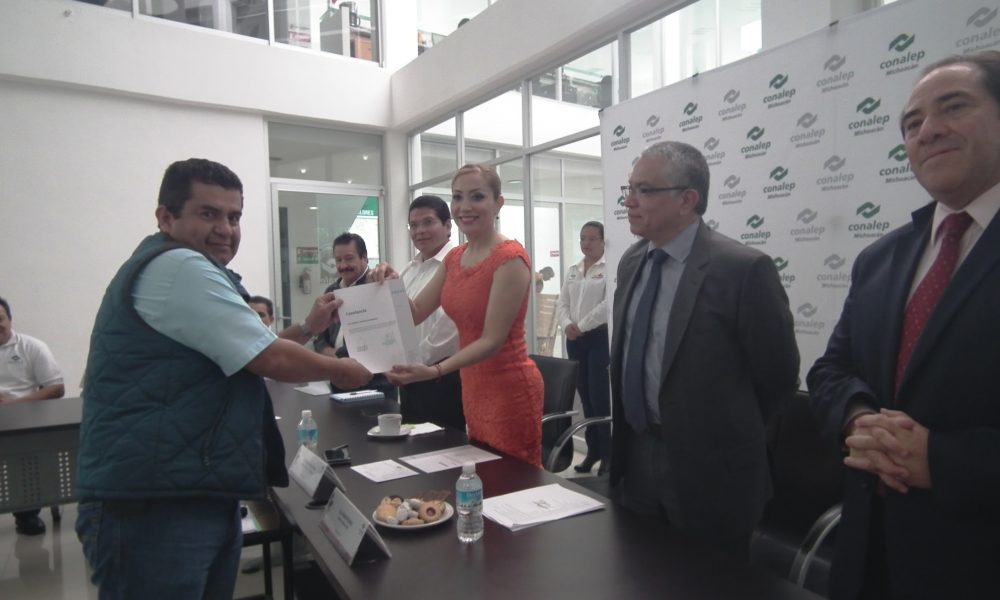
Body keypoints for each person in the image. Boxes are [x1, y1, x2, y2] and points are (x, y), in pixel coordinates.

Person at [75, 158, 371, 599]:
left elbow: (247, 347)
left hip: (186, 489)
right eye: (208, 214)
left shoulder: (182, 266)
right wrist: (343, 368)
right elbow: (268, 357)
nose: (225, 229)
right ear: (166, 217)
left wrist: (308, 328)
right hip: (156, 504)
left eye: (234, 217)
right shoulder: (179, 267)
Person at [807, 50, 1000, 600]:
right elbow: (830, 370)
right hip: (869, 556)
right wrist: (859, 419)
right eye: (912, 123)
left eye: (954, 107)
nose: (928, 131)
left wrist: (940, 460)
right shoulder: (881, 258)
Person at [610, 141, 799, 559]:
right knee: (640, 576)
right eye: (629, 188)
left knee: (709, 581)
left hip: (712, 473)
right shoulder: (631, 262)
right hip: (637, 457)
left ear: (687, 199)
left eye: (644, 190)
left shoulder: (742, 269)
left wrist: (723, 437)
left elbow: (778, 376)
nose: (629, 201)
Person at [379, 164, 544, 466]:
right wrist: (393, 283)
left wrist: (435, 371)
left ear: (498, 203)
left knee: (512, 475)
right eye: (457, 197)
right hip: (472, 384)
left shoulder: (510, 258)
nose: (464, 207)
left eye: (477, 196)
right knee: (482, 472)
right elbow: (415, 313)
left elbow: (492, 341)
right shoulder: (455, 257)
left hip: (508, 386)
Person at [0, 296, 65, 536]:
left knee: (25, 454)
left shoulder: (31, 347)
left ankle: (26, 514)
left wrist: (14, 404)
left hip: (24, 420)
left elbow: (56, 388)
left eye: (0, 319)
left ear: (10, 319)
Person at [398, 195, 464, 430]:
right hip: (411, 375)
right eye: (413, 225)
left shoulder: (459, 264)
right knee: (410, 441)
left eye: (428, 222)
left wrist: (415, 363)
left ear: (448, 226)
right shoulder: (410, 269)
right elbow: (401, 318)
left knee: (444, 446)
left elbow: (451, 326)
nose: (419, 231)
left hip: (443, 374)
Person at [555, 222, 611, 475]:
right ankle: (593, 451)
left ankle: (608, 455)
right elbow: (562, 302)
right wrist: (567, 324)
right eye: (582, 238)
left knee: (600, 398)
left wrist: (582, 325)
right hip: (574, 340)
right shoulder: (573, 270)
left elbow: (607, 304)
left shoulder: (608, 268)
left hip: (598, 338)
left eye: (591, 239)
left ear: (602, 241)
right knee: (585, 397)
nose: (586, 243)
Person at [314, 232, 372, 357]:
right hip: (334, 365)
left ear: (364, 257)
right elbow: (320, 340)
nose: (343, 265)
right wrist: (336, 357)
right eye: (338, 260)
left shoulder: (376, 287)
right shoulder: (331, 291)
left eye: (349, 258)